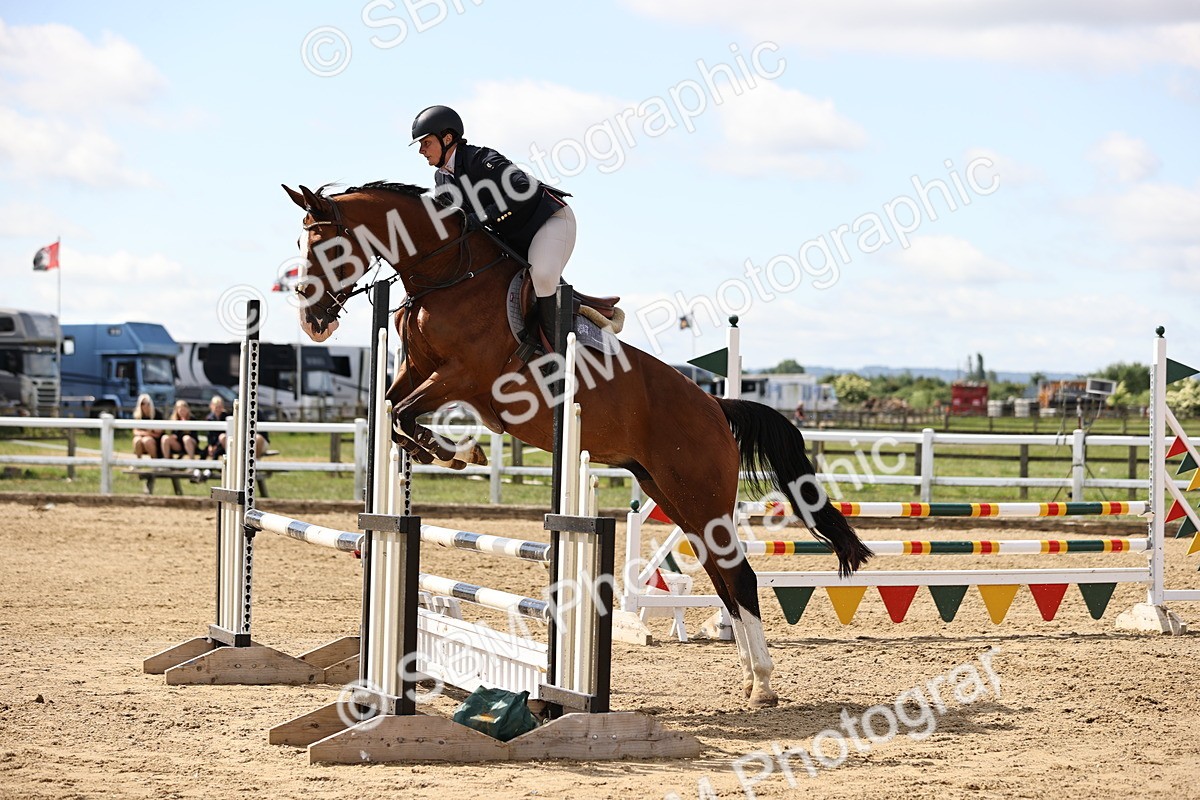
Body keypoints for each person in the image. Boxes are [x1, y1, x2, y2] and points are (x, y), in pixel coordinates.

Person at [411, 104, 575, 341]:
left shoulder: (480, 159)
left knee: (542, 275)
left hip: (547, 221)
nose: (421, 151)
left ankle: (557, 353)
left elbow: (523, 186)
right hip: (514, 237)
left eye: (426, 143)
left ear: (447, 138)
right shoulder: (442, 177)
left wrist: (485, 215)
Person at [131, 394, 163, 458]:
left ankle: (155, 462)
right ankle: (138, 463)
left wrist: (147, 433)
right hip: (142, 437)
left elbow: (159, 433)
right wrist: (148, 433)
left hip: (155, 440)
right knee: (137, 440)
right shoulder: (137, 415)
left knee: (147, 441)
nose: (145, 405)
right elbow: (135, 431)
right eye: (142, 403)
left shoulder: (157, 414)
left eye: (147, 403)